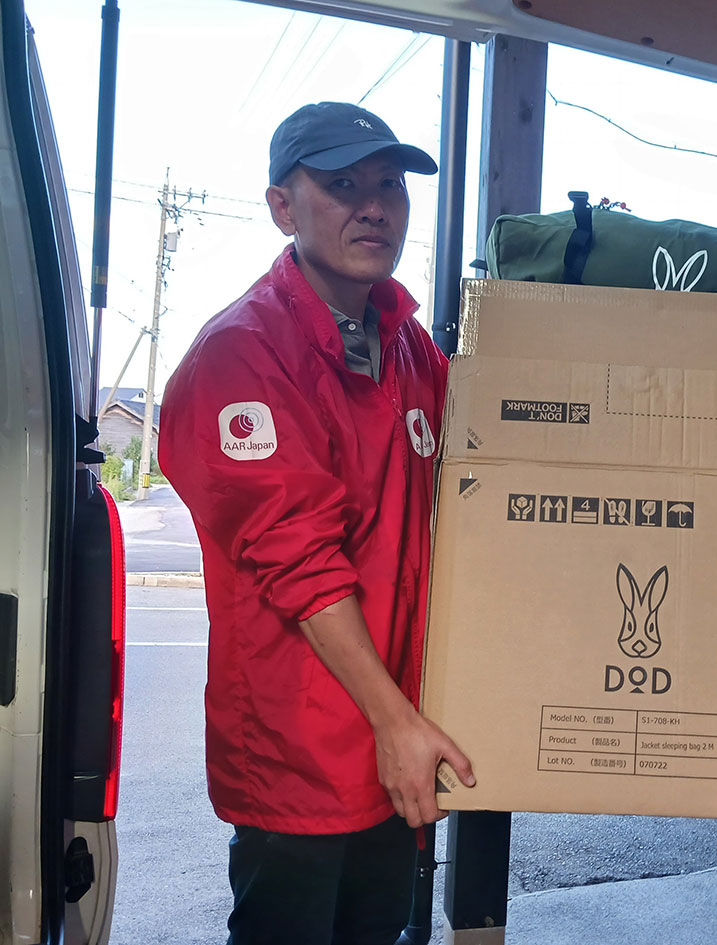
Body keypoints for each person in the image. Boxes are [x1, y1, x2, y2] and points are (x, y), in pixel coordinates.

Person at [159, 101, 475, 945]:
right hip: (301, 754)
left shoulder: (411, 351)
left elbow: (481, 500)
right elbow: (297, 556)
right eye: (341, 185)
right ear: (282, 207)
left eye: (389, 185)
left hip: (394, 743)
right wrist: (398, 722)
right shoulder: (243, 351)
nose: (373, 206)